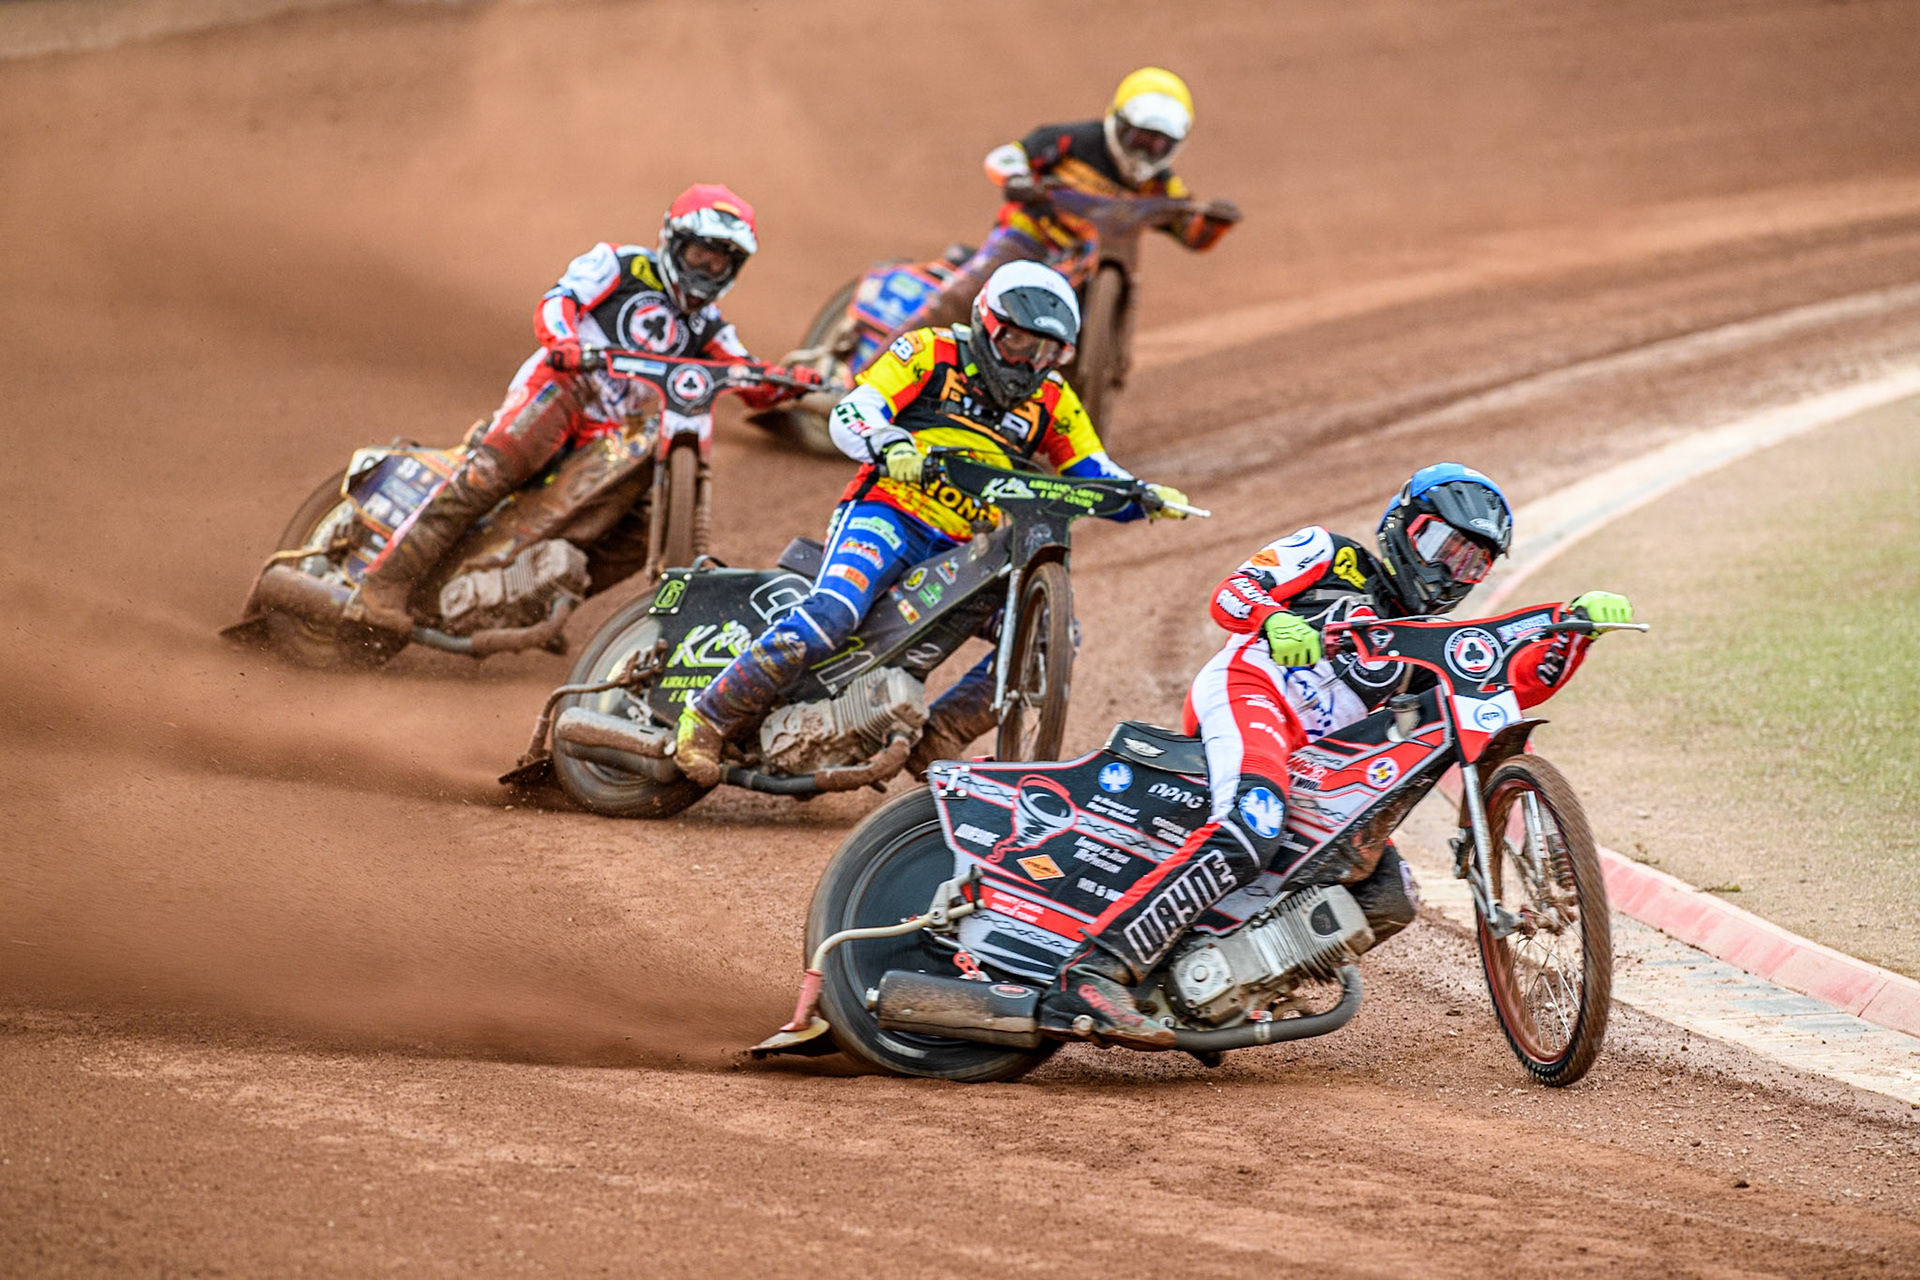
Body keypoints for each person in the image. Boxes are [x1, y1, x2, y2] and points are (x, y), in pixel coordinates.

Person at [1038, 464, 1636, 1046]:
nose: (1450, 570)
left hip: (1313, 758)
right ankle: (1096, 969)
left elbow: (1510, 691)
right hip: (1251, 690)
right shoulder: (1328, 552)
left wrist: (1574, 634)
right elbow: (1235, 591)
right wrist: (1274, 619)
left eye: (1471, 561)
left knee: (1390, 892)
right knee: (1255, 820)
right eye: (1440, 544)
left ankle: (1231, 985)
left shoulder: (1432, 644)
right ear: (1404, 525)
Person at [673, 260, 1191, 786]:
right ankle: (710, 715)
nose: (1026, 362)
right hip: (889, 514)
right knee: (832, 614)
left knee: (1048, 639)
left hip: (967, 553)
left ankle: (940, 734)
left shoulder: (1054, 399)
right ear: (987, 323)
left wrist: (1143, 495)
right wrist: (887, 440)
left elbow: (1093, 472)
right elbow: (853, 410)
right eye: (1016, 343)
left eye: (1044, 352)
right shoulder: (929, 351)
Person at [347, 184, 820, 634]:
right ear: (675, 241)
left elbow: (747, 375)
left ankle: (524, 602)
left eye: (721, 261)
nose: (707, 268)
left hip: (614, 434)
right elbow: (560, 300)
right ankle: (384, 582)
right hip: (566, 389)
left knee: (637, 531)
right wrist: (565, 342)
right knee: (489, 474)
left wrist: (791, 383)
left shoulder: (709, 326)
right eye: (701, 253)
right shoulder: (620, 264)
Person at [877, 67, 1242, 345]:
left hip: (1093, 265)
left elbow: (1188, 232)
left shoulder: (1160, 185)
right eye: (1139, 137)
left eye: (1158, 144)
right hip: (1029, 239)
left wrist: (1214, 223)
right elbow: (1007, 156)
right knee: (962, 300)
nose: (1145, 151)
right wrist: (1017, 178)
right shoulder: (1073, 140)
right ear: (1117, 121)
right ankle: (864, 385)